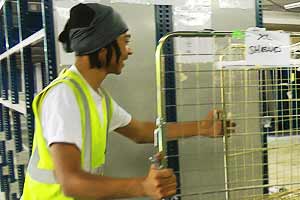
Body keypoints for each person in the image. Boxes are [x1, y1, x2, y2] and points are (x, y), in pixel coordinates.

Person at [21, 3, 229, 200]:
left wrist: (202, 127)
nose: (129, 51)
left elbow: (141, 132)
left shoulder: (95, 96)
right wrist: (142, 186)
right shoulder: (64, 96)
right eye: (125, 41)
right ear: (102, 48)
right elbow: (71, 182)